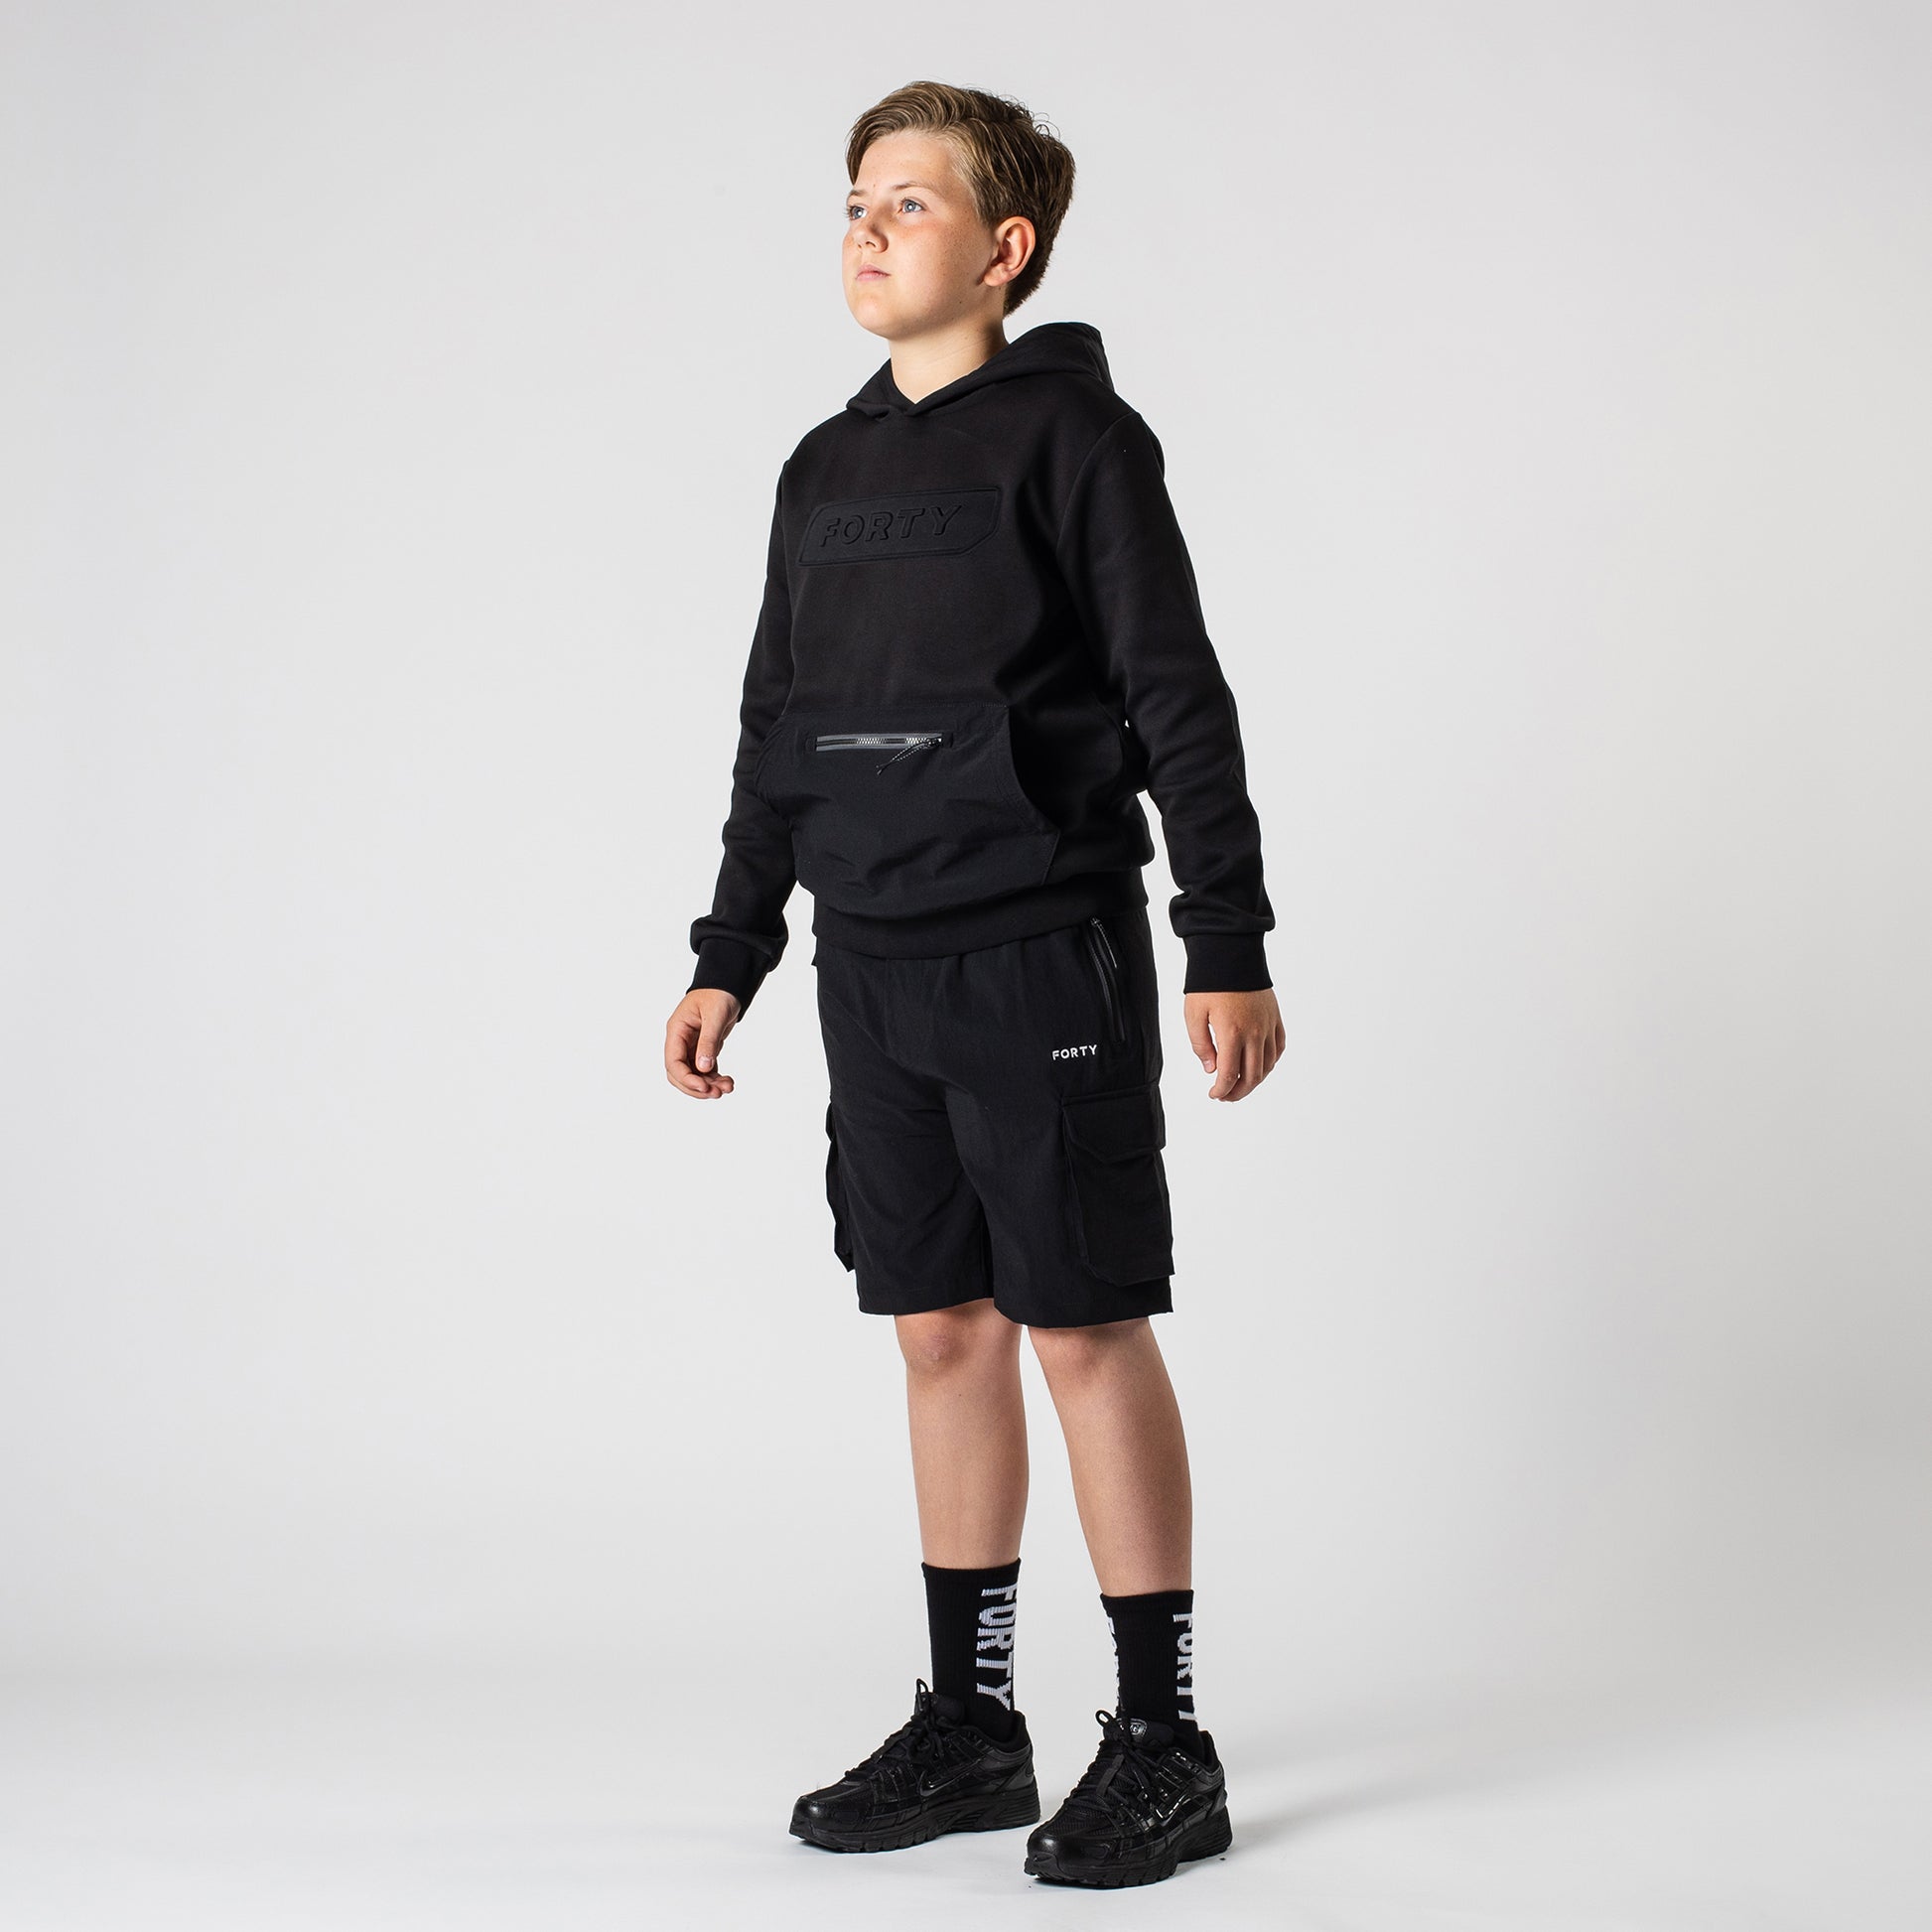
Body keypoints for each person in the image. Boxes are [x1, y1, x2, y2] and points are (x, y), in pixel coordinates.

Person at [665, 79, 1283, 1889]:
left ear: (1003, 249)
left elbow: (1177, 696)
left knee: (1080, 1323)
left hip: (1041, 950)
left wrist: (1225, 938)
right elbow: (775, 727)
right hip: (871, 964)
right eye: (853, 200)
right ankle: (972, 1720)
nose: (866, 228)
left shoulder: (1076, 441)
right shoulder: (823, 468)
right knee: (939, 1328)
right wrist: (730, 949)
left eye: (909, 202)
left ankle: (1164, 1742)